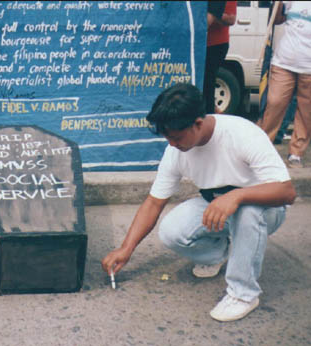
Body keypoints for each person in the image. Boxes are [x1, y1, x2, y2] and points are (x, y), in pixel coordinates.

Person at [101, 83, 296, 322]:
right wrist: (126, 249)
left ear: (198, 123)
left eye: (176, 137)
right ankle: (217, 255)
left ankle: (244, 294)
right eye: (167, 137)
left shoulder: (243, 134)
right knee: (172, 230)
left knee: (247, 212)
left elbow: (287, 193)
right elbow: (153, 203)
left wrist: (237, 196)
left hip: (265, 210)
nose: (172, 144)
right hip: (220, 207)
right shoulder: (176, 150)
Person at [260, 1, 311, 168]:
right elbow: (276, 20)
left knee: (306, 112)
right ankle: (262, 147)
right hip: (284, 61)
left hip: (309, 66)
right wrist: (277, 4)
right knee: (274, 103)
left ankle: (296, 153)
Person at [203, 1, 237, 114]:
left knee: (208, 81)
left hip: (216, 44)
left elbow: (231, 19)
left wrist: (213, 14)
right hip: (196, 43)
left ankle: (208, 116)